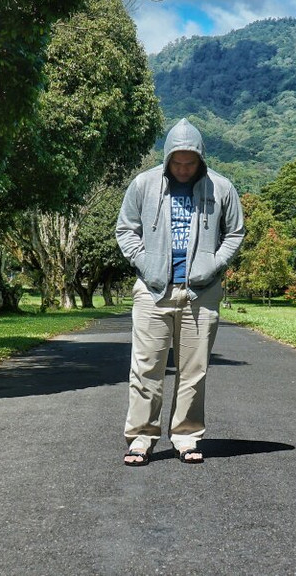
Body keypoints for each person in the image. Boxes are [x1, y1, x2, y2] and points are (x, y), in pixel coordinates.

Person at [116, 118, 245, 465]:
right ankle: (141, 438)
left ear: (200, 158)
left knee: (194, 370)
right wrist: (144, 263)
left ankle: (187, 437)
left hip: (201, 293)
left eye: (190, 163)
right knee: (145, 368)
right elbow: (125, 229)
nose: (183, 169)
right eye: (177, 162)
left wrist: (212, 265)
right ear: (167, 157)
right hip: (153, 290)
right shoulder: (143, 184)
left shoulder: (221, 188)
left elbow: (235, 233)